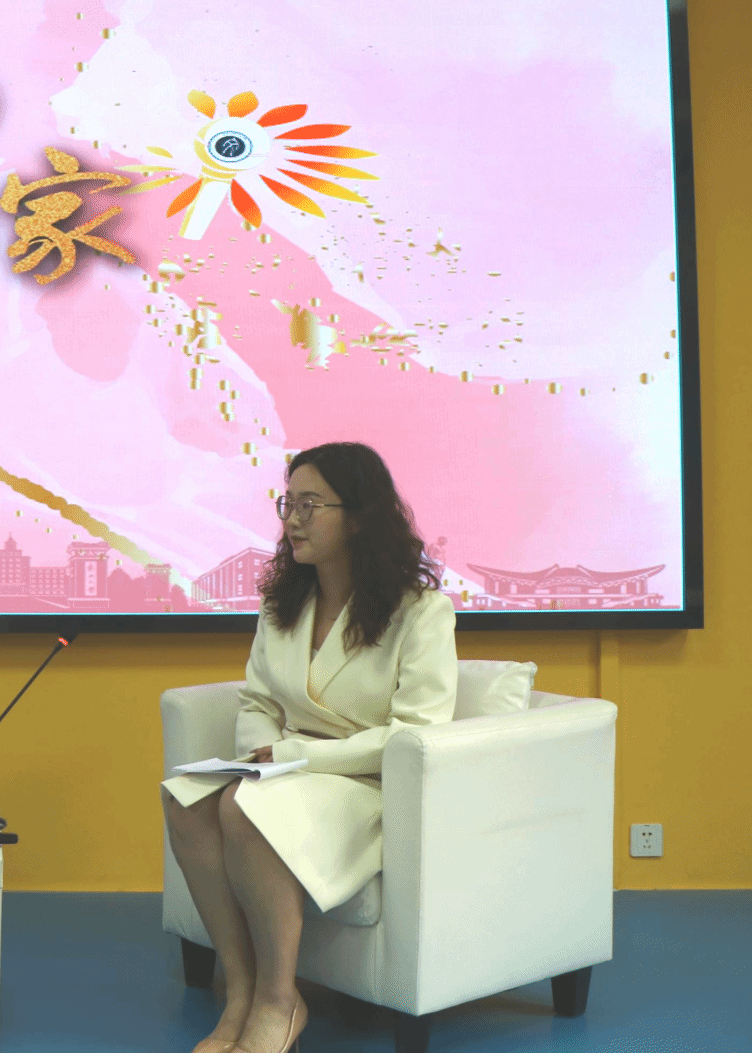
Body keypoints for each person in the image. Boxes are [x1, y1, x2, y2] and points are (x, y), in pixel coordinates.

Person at [163, 442, 457, 1053]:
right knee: (184, 799)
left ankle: (280, 1002)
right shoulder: (283, 605)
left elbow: (416, 732)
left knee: (243, 807)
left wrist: (297, 759)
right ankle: (241, 991)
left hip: (365, 782)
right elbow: (257, 702)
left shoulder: (420, 612)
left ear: (359, 517)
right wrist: (262, 755)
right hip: (287, 768)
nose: (292, 520)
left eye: (310, 505)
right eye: (287, 504)